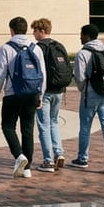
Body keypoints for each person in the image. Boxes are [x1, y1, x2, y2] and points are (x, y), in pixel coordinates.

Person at [0, 17, 45, 179]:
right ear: (26, 29)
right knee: (27, 130)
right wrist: (40, 94)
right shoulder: (35, 48)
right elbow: (42, 73)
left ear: (12, 30)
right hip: (32, 94)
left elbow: (0, 72)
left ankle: (19, 155)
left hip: (13, 93)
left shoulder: (6, 48)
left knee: (8, 126)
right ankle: (27, 168)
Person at [73, 23, 104, 174]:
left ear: (86, 36)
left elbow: (80, 78)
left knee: (85, 128)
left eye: (81, 34)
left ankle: (82, 159)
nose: (80, 37)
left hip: (90, 96)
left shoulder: (83, 53)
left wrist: (83, 90)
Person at [31, 18, 66, 173]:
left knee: (43, 125)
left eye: (35, 31)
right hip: (59, 90)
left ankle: (47, 161)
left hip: (45, 92)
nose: (33, 34)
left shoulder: (38, 48)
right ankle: (58, 153)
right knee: (53, 122)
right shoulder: (59, 46)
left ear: (42, 31)